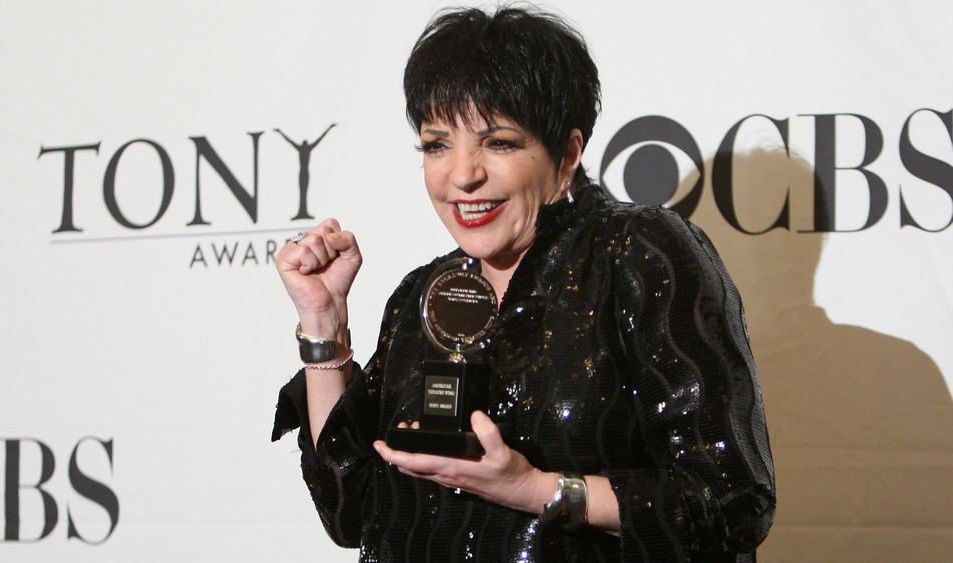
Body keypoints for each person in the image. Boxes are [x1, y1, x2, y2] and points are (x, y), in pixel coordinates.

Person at [271, 6, 775, 562]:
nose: (462, 175)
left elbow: (730, 502)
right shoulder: (424, 294)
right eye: (438, 144)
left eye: (499, 142)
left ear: (567, 153)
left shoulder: (638, 252)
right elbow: (352, 514)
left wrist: (535, 489)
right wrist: (324, 330)